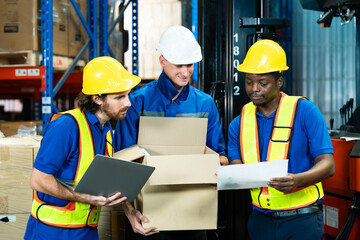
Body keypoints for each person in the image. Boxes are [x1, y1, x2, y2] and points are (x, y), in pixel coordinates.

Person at [114, 25, 228, 240]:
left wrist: (220, 167)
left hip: (193, 213)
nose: (185, 72)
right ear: (162, 60)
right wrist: (130, 212)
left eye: (190, 65)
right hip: (147, 214)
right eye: (179, 65)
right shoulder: (138, 102)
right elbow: (123, 162)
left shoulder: (205, 103)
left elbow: (218, 152)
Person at [227, 39, 335, 240]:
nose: (254, 89)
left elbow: (328, 165)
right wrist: (225, 177)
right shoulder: (238, 124)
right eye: (249, 81)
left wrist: (298, 180)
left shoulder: (305, 111)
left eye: (263, 83)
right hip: (260, 221)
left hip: (302, 220)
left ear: (279, 81)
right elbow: (237, 169)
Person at [24, 56, 141, 240]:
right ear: (97, 99)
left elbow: (106, 181)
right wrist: (88, 198)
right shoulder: (66, 127)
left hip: (87, 232)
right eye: (120, 97)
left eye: (127, 95)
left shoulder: (107, 130)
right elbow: (38, 180)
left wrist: (130, 211)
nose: (128, 103)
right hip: (52, 232)